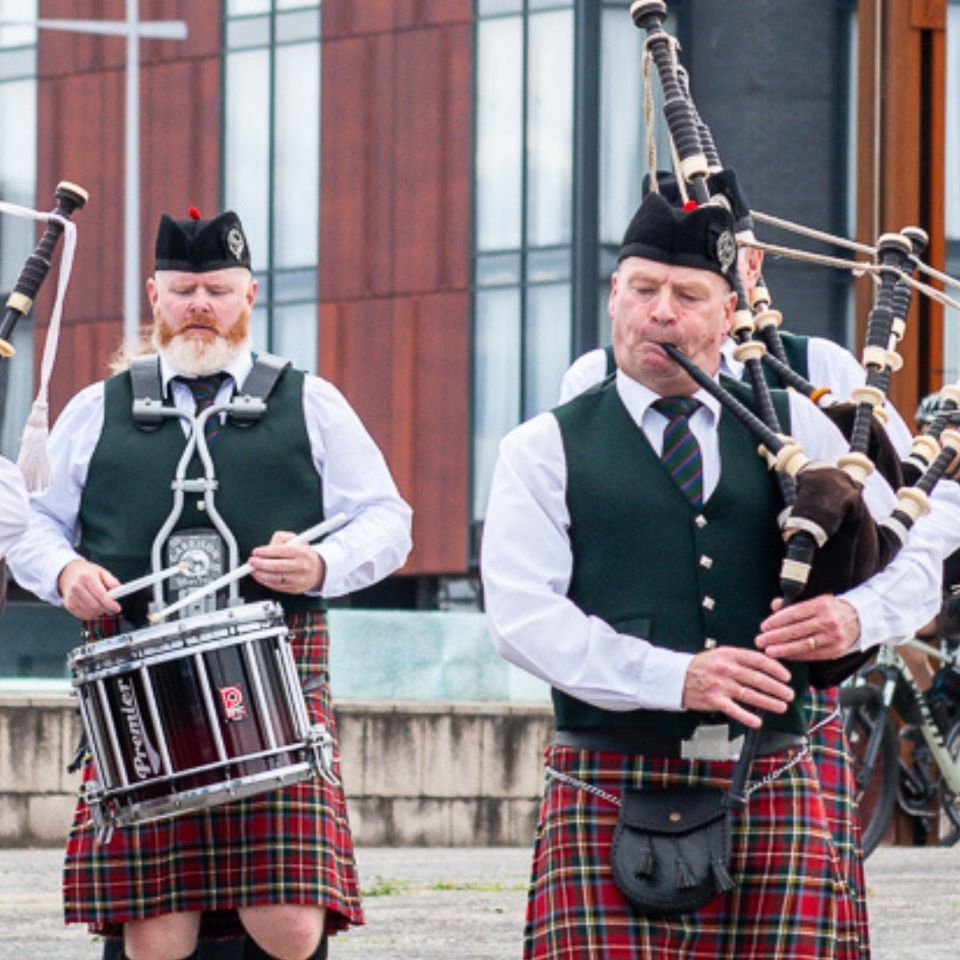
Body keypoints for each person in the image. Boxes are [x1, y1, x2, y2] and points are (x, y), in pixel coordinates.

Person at [481, 192, 948, 958]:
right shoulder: (543, 447)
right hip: (607, 768)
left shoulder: (801, 421)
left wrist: (857, 617)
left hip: (773, 769)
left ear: (728, 312)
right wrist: (675, 677)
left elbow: (916, 546)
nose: (660, 314)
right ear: (614, 297)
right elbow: (522, 616)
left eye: (687, 295)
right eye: (642, 289)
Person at [7, 209, 412, 960]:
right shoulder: (99, 408)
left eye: (217, 290)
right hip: (139, 683)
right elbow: (31, 524)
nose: (201, 305)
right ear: (155, 297)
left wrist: (323, 564)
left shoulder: (310, 401)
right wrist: (64, 571)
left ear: (249, 296)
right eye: (185, 289)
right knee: (157, 934)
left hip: (273, 679)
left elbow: (388, 520)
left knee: (290, 925)